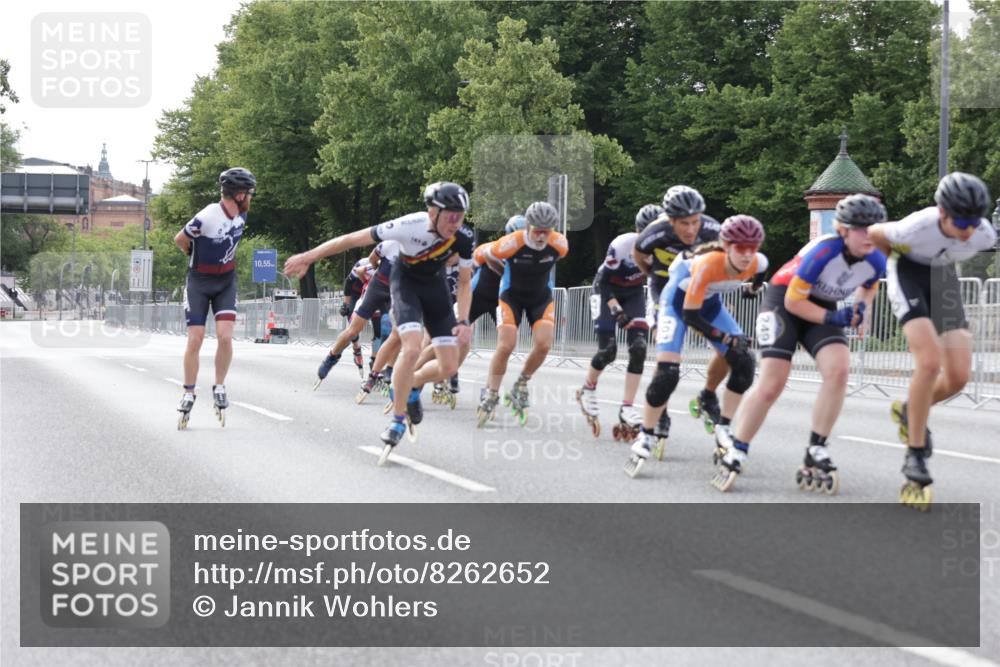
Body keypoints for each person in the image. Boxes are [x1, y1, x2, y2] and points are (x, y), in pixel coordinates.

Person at [284, 182, 474, 464]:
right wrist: (308, 256)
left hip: (435, 291)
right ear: (432, 211)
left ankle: (412, 385)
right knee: (410, 349)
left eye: (461, 216)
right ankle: (397, 420)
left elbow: (465, 282)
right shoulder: (409, 225)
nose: (455, 223)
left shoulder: (463, 237)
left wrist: (463, 320)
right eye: (450, 216)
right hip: (405, 286)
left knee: (449, 366)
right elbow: (350, 240)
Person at [717, 194, 887, 493]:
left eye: (874, 227)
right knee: (772, 383)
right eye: (861, 228)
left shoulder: (876, 257)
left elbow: (868, 288)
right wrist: (836, 319)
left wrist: (863, 312)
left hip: (820, 305)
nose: (869, 234)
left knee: (839, 371)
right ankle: (738, 447)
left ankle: (816, 447)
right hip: (784, 302)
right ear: (843, 230)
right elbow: (795, 303)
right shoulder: (823, 253)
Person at [868, 172, 996, 510]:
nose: (969, 229)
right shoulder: (915, 227)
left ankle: (912, 409)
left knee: (958, 376)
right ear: (942, 213)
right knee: (928, 362)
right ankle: (915, 454)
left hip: (943, 278)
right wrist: (892, 262)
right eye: (961, 220)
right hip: (907, 272)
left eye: (974, 220)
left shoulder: (983, 234)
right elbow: (874, 234)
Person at [626, 215, 767, 478]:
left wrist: (754, 288)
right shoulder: (706, 264)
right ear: (725, 246)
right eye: (740, 249)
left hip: (710, 305)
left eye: (753, 248)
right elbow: (691, 316)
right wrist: (725, 339)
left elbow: (760, 272)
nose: (747, 255)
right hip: (677, 306)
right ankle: (645, 434)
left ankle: (723, 426)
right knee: (668, 372)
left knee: (744, 359)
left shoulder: (758, 262)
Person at [633, 186, 727, 444]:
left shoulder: (712, 230)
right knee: (666, 357)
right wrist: (652, 273)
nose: (689, 229)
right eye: (682, 223)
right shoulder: (655, 233)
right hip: (663, 288)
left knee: (727, 350)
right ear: (671, 220)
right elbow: (639, 255)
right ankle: (660, 412)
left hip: (698, 290)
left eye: (694, 222)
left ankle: (708, 395)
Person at [173, 167, 256, 429]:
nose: (251, 197)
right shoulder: (208, 215)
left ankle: (219, 386)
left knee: (225, 335)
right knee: (195, 338)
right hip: (199, 281)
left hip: (225, 281)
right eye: (249, 193)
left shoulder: (242, 213)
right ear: (240, 194)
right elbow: (179, 239)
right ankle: (189, 391)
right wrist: (190, 252)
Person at [476, 202, 568, 426]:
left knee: (544, 344)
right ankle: (491, 392)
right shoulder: (512, 242)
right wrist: (502, 271)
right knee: (506, 345)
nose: (541, 236)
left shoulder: (560, 244)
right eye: (537, 230)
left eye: (547, 231)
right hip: (511, 296)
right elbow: (487, 254)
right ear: (528, 226)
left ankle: (521, 384)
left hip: (540, 298)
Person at [576, 204, 662, 440]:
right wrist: (616, 311)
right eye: (646, 235)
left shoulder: (664, 250)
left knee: (639, 348)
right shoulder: (622, 245)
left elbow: (659, 284)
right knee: (609, 350)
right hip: (606, 291)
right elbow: (604, 283)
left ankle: (627, 406)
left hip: (633, 294)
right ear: (638, 231)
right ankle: (588, 389)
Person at [313, 255, 376, 388]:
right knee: (353, 329)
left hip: (382, 295)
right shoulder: (366, 263)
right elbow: (348, 282)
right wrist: (346, 304)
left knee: (383, 330)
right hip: (358, 293)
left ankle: (376, 363)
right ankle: (338, 354)